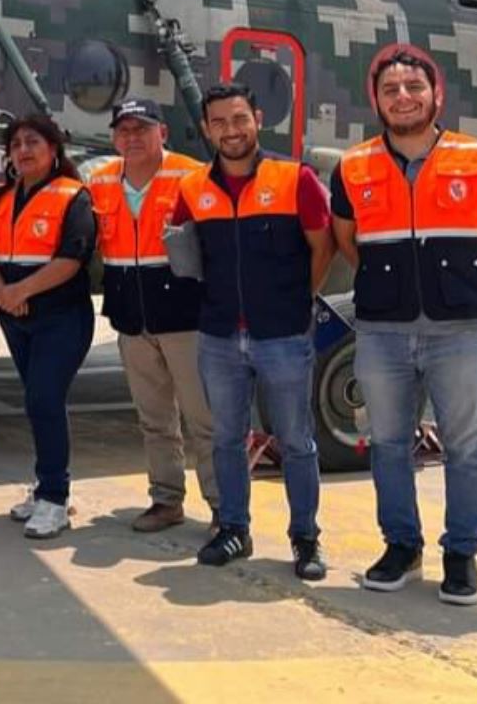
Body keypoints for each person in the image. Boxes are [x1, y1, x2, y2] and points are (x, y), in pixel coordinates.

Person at [332, 47, 477, 605]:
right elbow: (348, 239)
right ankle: (401, 546)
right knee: (388, 443)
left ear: (436, 94)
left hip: (459, 333)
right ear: (377, 101)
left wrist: (471, 284)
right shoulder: (352, 166)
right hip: (382, 333)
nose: (402, 97)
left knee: (466, 446)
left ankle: (461, 554)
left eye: (413, 87)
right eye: (390, 89)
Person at [172, 82, 335, 581]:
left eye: (239, 118)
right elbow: (185, 253)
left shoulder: (295, 178)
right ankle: (234, 529)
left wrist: (295, 300)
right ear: (206, 129)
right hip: (219, 336)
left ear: (257, 118)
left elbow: (322, 245)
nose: (231, 130)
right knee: (226, 438)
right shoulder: (193, 187)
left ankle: (305, 538)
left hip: (281, 334)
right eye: (219, 122)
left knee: (297, 440)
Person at [86, 98, 220, 533]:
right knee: (154, 418)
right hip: (131, 316)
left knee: (205, 420)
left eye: (141, 129)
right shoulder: (101, 181)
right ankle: (166, 500)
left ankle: (225, 508)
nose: (132, 138)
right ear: (113, 138)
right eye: (123, 130)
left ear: (162, 132)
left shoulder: (191, 176)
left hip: (185, 317)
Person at [0, 115, 96, 540]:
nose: (24, 150)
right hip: (15, 316)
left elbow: (71, 259)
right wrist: (1, 293)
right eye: (17, 144)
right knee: (37, 402)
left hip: (61, 317)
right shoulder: (1, 200)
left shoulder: (73, 197)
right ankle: (45, 487)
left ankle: (56, 500)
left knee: (44, 398)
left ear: (54, 149)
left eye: (34, 142)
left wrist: (21, 290)